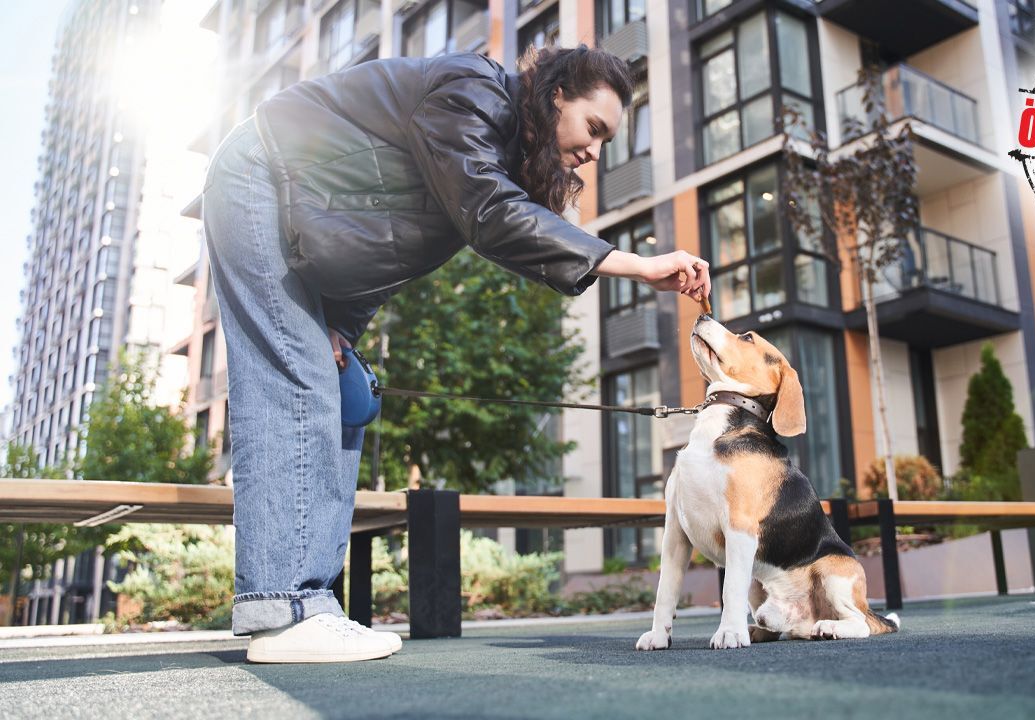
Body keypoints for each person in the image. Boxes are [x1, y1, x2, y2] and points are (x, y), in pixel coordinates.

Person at [201, 45, 711, 664]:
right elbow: (493, 214)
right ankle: (284, 611)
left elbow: (380, 251)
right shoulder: (471, 93)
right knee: (297, 384)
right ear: (556, 95)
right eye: (593, 128)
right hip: (259, 178)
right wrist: (633, 263)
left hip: (303, 226)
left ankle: (310, 603)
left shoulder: (494, 154)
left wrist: (341, 327)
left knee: (338, 395)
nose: (594, 152)